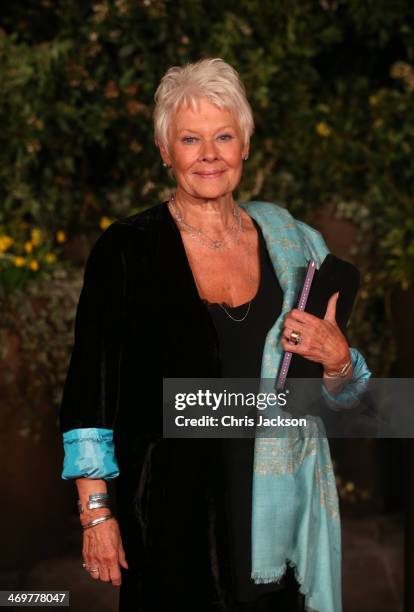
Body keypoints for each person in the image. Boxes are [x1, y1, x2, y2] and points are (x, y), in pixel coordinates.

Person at [59, 58, 371, 612]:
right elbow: (90, 391)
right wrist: (96, 514)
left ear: (245, 145)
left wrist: (339, 360)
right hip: (172, 523)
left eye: (224, 136)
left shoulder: (295, 244)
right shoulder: (127, 250)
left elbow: (349, 403)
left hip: (282, 520)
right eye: (190, 139)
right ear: (165, 150)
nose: (209, 154)